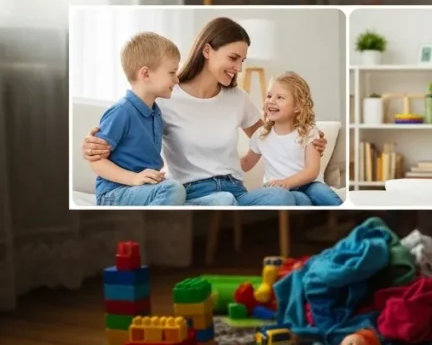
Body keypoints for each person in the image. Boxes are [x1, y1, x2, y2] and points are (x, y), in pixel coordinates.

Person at [81, 17, 325, 206]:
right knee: (223, 201)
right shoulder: (165, 96)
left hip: (237, 191)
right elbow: (130, 118)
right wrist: (93, 143)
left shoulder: (237, 98)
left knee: (280, 198)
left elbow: (271, 136)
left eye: (242, 60)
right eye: (233, 58)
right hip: (193, 191)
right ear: (207, 51)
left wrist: (307, 137)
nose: (238, 68)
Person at [91, 32, 185, 206]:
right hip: (114, 193)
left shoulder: (156, 114)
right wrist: (134, 178)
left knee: (219, 199)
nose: (177, 79)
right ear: (146, 74)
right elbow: (96, 161)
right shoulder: (121, 112)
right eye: (172, 72)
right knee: (173, 189)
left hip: (143, 190)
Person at [241, 72, 342, 206]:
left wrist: (288, 182)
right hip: (279, 190)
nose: (271, 101)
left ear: (298, 106)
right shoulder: (261, 134)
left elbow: (312, 171)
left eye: (280, 97)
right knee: (300, 199)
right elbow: (247, 162)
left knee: (322, 192)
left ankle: (352, 217)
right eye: (269, 96)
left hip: (309, 185)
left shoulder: (308, 133)